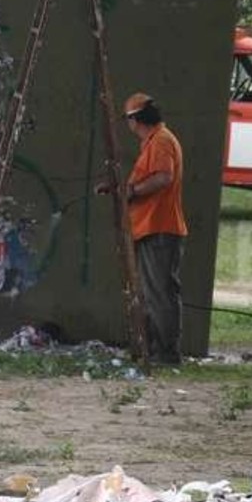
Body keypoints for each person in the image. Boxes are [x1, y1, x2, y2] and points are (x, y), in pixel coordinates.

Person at [100, 93, 188, 366]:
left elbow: (163, 177)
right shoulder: (154, 141)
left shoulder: (161, 141)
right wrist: (118, 189)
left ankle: (166, 353)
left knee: (160, 294)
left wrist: (132, 191)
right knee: (151, 293)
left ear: (135, 120)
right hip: (151, 227)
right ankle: (151, 349)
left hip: (159, 228)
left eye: (128, 120)